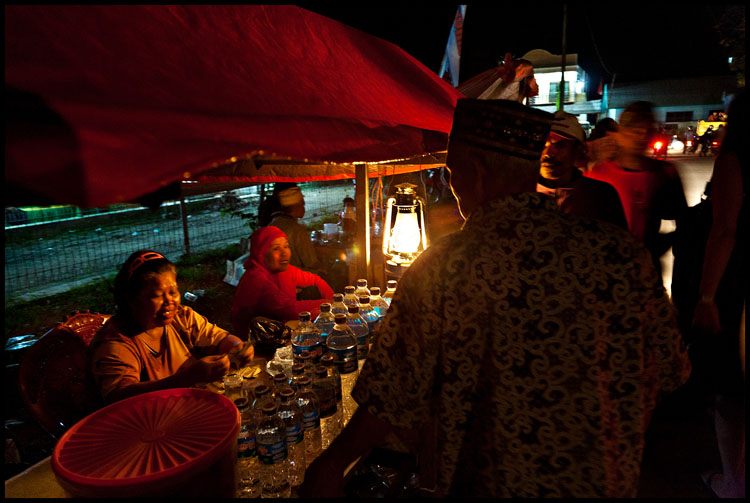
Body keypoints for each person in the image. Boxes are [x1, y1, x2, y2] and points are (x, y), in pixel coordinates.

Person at [299, 99, 690, 498]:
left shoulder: (443, 269)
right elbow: (669, 369)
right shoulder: (622, 253)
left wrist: (331, 463)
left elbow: (389, 397)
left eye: (452, 174)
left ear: (477, 173)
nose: (451, 187)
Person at [88, 250, 253, 404]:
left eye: (173, 292)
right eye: (157, 295)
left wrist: (237, 347)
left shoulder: (181, 318)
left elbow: (220, 338)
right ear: (131, 299)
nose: (169, 302)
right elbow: (120, 398)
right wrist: (185, 378)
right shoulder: (116, 343)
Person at [691, 90, 746, 498]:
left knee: (732, 389)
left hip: (739, 282)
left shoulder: (735, 158)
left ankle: (733, 480)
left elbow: (724, 231)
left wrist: (706, 298)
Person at [586, 101, 688, 275]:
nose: (641, 137)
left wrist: (657, 246)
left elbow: (684, 222)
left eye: (647, 131)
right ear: (620, 133)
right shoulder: (599, 174)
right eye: (635, 130)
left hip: (646, 268)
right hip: (606, 267)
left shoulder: (665, 174)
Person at [231, 226, 334, 339]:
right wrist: (329, 305)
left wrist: (333, 299)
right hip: (253, 344)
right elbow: (288, 308)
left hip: (278, 333)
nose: (284, 253)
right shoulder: (256, 280)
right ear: (261, 252)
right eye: (276, 248)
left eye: (286, 246)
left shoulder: (283, 270)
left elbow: (315, 280)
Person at [537, 111, 628, 229]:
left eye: (560, 145)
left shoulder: (602, 196)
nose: (549, 153)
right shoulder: (522, 190)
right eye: (545, 143)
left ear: (578, 150)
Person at [268, 185, 321, 273]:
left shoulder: (271, 225)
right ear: (297, 207)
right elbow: (311, 262)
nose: (304, 208)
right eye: (303, 205)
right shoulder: (298, 230)